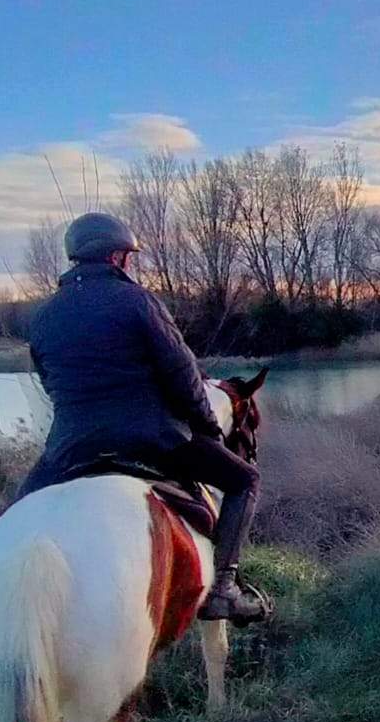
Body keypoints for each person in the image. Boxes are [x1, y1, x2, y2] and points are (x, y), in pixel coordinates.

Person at [13, 211, 266, 622]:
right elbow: (184, 377)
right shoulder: (139, 302)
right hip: (153, 440)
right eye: (128, 256)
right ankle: (223, 589)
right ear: (117, 257)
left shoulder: (43, 316)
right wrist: (207, 429)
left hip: (71, 447)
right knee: (245, 481)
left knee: (14, 517)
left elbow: (51, 382)